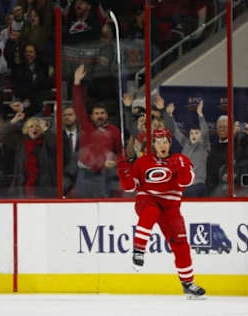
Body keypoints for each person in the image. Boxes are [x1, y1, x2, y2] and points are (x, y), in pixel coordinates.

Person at [116, 128, 206, 299]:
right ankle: (139, 250)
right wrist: (124, 173)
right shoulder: (143, 162)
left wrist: (181, 168)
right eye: (158, 142)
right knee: (150, 212)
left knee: (180, 242)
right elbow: (129, 187)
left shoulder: (180, 159)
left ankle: (188, 283)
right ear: (153, 145)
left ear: (170, 144)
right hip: (147, 198)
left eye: (165, 141)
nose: (162, 145)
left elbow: (186, 182)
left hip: (171, 206)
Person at [72, 64, 121, 198]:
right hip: (84, 173)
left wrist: (116, 162)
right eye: (96, 113)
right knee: (82, 208)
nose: (99, 115)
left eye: (102, 113)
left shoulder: (114, 131)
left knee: (104, 207)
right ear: (91, 116)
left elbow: (120, 152)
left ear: (107, 115)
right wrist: (76, 83)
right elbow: (78, 105)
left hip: (104, 174)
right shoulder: (86, 125)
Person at [163, 98, 210, 197]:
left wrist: (200, 115)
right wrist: (170, 116)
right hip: (185, 185)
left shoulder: (204, 146)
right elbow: (175, 131)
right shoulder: (186, 144)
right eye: (191, 133)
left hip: (198, 186)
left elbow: (205, 132)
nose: (193, 135)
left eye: (196, 133)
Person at [206, 115, 228, 196]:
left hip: (224, 187)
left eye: (225, 127)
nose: (221, 130)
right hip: (209, 186)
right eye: (219, 127)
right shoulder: (212, 145)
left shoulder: (234, 145)